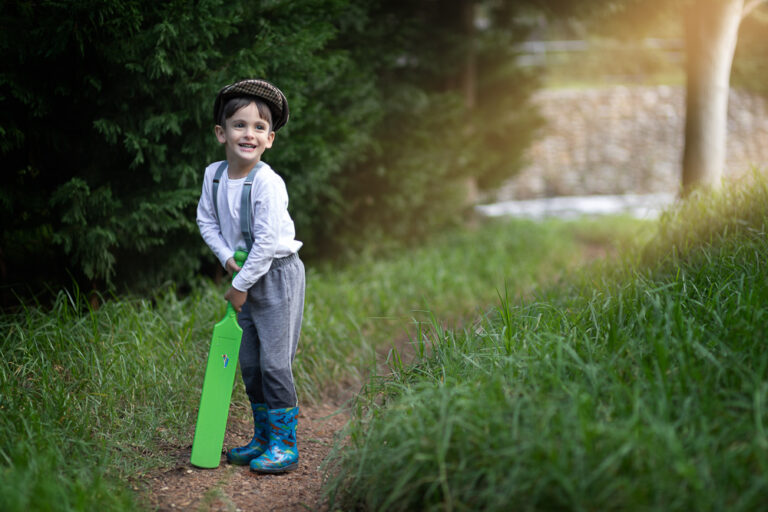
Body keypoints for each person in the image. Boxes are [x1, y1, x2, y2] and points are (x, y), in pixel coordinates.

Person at [196, 78, 305, 474]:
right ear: (221, 132)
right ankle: (263, 436)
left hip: (276, 275)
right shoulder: (213, 176)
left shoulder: (268, 184)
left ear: (270, 139)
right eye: (240, 125)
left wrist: (239, 286)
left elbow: (265, 243)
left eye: (259, 127)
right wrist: (227, 259)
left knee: (275, 363)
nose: (249, 134)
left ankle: (285, 444)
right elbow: (206, 221)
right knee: (251, 363)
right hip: (243, 271)